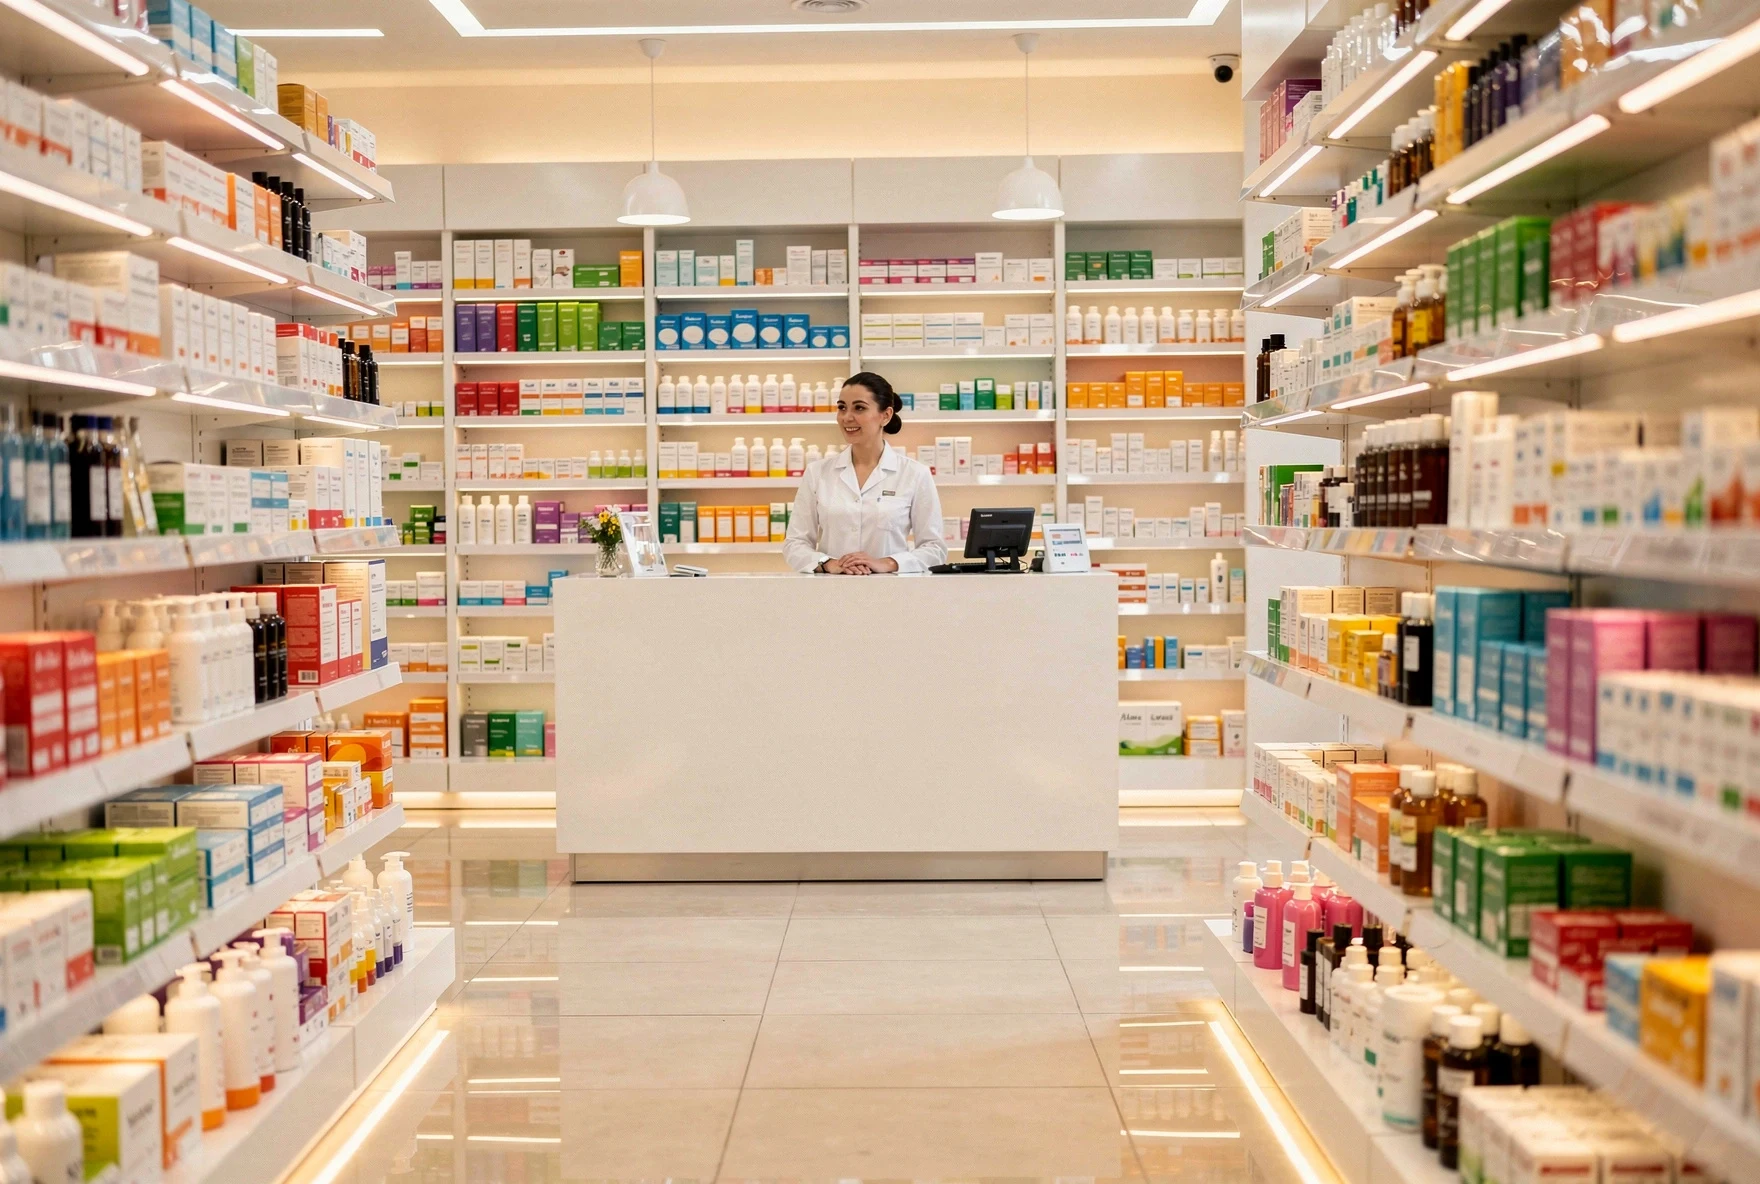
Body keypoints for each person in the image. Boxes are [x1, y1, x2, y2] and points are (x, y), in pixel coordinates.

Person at [783, 372, 947, 574]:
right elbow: (795, 543)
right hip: (831, 588)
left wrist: (887, 563)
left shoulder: (915, 474)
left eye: (859, 408)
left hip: (892, 588)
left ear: (885, 415)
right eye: (842, 407)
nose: (847, 417)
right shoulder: (817, 473)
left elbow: (934, 548)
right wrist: (828, 563)